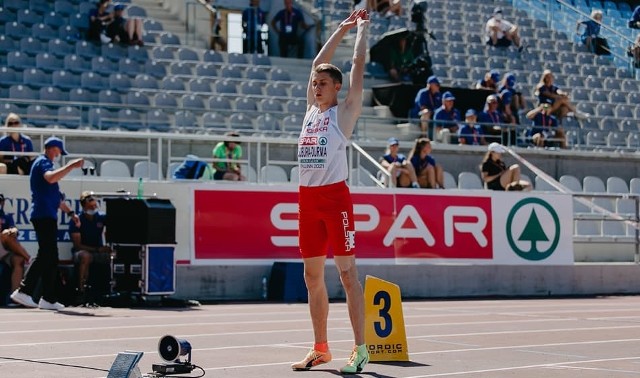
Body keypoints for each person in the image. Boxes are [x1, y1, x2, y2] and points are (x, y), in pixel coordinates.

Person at [292, 9, 369, 374]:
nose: (316, 86)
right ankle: (321, 348)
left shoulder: (344, 113)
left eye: (323, 83)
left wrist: (362, 31)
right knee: (311, 277)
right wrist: (341, 28)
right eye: (315, 83)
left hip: (335, 199)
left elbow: (357, 64)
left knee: (347, 275)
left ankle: (361, 348)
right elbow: (317, 61)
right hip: (307, 199)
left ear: (336, 88)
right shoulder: (310, 111)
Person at [10, 137, 83, 310]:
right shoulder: (43, 162)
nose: (59, 155)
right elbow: (50, 178)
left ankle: (49, 298)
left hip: (46, 215)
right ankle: (24, 290)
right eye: (58, 152)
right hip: (42, 215)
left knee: (51, 257)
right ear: (52, 149)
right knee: (46, 254)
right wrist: (71, 166)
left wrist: (71, 213)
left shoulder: (45, 164)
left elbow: (56, 198)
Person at [69, 191, 112, 303]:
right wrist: (97, 249)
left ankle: (109, 290)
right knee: (86, 256)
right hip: (81, 252)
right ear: (83, 206)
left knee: (113, 255)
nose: (93, 208)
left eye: (94, 205)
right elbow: (77, 245)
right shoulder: (77, 220)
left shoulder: (101, 217)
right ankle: (81, 291)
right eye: (90, 206)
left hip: (98, 250)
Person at [0, 194, 30, 294]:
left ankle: (15, 296)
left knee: (19, 260)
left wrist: (13, 230)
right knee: (4, 234)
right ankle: (29, 259)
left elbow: (14, 228)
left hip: (5, 250)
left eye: (0, 201)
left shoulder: (6, 217)